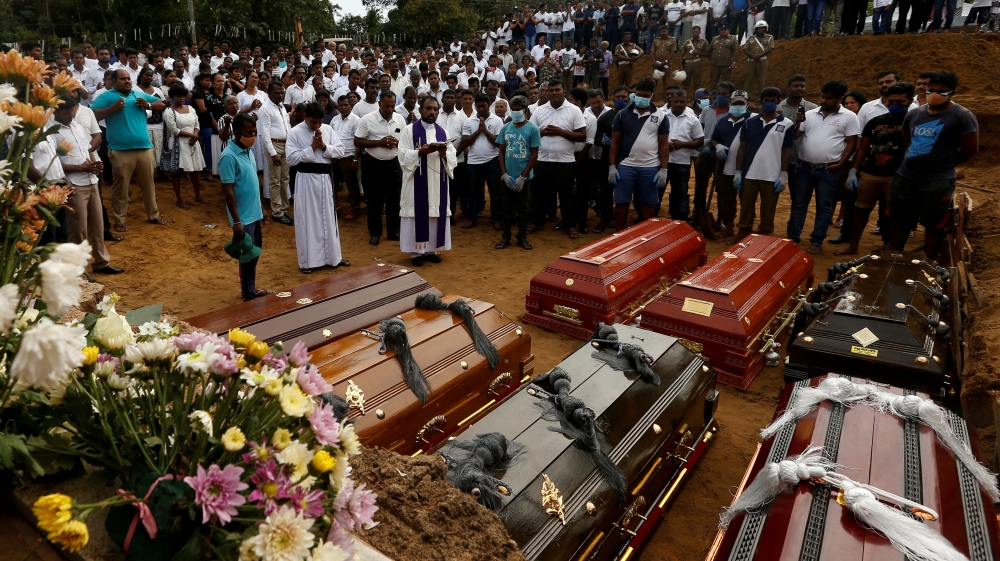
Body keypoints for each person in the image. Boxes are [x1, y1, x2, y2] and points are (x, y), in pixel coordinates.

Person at [889, 72, 979, 260]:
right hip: (906, 176)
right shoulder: (915, 114)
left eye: (942, 91)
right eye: (931, 89)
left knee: (934, 223)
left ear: (953, 92)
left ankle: (928, 264)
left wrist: (944, 162)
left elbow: (971, 148)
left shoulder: (962, 116)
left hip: (937, 181)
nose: (934, 93)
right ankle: (893, 258)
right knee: (899, 221)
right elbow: (907, 139)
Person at [834, 83, 914, 256]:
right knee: (861, 209)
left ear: (910, 101)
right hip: (871, 173)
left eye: (900, 101)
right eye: (891, 101)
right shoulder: (876, 121)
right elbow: (863, 148)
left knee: (895, 214)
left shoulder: (914, 122)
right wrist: (854, 171)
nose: (895, 105)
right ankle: (853, 245)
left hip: (898, 176)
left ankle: (891, 247)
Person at [50, 96, 123, 274]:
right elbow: (53, 163)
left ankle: (101, 262)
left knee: (97, 225)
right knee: (78, 229)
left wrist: (93, 164)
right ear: (55, 112)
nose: (71, 115)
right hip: (73, 184)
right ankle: (80, 270)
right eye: (66, 112)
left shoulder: (77, 126)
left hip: (91, 180)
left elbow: (86, 150)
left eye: (72, 110)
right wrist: (80, 167)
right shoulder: (51, 131)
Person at [91, 68, 168, 232]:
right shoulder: (106, 96)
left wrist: (147, 104)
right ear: (113, 81)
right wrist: (112, 109)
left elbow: (161, 104)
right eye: (123, 79)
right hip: (120, 150)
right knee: (121, 188)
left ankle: (153, 215)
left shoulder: (136, 95)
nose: (127, 81)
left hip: (144, 148)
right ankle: (119, 220)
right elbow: (93, 114)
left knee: (148, 185)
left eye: (128, 79)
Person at [788, 80, 860, 254]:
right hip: (804, 167)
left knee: (824, 206)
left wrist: (841, 164)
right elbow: (796, 136)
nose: (824, 100)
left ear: (839, 99)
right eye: (822, 97)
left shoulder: (849, 117)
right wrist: (797, 123)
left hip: (828, 169)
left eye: (828, 98)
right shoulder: (810, 114)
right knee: (799, 204)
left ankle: (817, 241)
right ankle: (792, 237)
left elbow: (852, 142)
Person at [286, 102, 348, 274]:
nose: (317, 125)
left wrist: (324, 147)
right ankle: (308, 262)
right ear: (305, 116)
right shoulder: (295, 132)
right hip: (306, 179)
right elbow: (291, 159)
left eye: (319, 122)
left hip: (325, 179)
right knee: (308, 220)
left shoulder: (328, 130)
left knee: (328, 217)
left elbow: (341, 151)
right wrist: (312, 148)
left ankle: (333, 258)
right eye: (313, 122)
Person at [397, 96, 459, 266]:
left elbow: (453, 155)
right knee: (418, 212)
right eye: (429, 108)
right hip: (417, 180)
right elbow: (401, 154)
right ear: (421, 110)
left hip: (438, 180)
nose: (432, 112)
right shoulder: (409, 130)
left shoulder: (443, 132)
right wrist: (419, 153)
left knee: (435, 213)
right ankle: (416, 252)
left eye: (435, 109)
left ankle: (431, 249)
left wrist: (445, 153)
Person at [219, 114, 272, 301]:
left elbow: (251, 183)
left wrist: (262, 209)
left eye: (254, 132)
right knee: (247, 257)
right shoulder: (228, 156)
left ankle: (251, 288)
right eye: (248, 132)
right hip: (243, 218)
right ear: (237, 132)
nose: (253, 136)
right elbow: (228, 191)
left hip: (255, 214)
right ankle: (248, 294)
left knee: (255, 253)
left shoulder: (248, 151)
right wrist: (237, 221)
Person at [527, 79, 587, 237]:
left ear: (564, 90)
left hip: (564, 161)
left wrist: (562, 132)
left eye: (557, 90)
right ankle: (536, 221)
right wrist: (542, 132)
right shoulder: (539, 111)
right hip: (542, 160)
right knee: (538, 194)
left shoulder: (574, 110)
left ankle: (570, 225)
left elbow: (582, 136)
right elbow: (530, 134)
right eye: (550, 90)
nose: (553, 93)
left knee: (566, 195)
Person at [608, 78, 670, 230]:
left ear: (652, 96)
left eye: (645, 95)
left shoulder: (661, 116)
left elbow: (663, 145)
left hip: (650, 166)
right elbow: (614, 142)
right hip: (626, 165)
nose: (640, 98)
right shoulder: (622, 115)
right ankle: (620, 232)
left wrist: (663, 169)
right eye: (638, 94)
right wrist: (612, 166)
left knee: (648, 202)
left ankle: (645, 234)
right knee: (622, 201)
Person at [733, 87, 793, 243]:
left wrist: (783, 174)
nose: (769, 103)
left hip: (772, 174)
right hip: (749, 172)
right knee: (746, 206)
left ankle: (765, 235)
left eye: (773, 101)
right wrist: (738, 171)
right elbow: (742, 147)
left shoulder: (787, 124)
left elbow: (787, 150)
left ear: (778, 102)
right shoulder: (749, 123)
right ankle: (743, 231)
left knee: (768, 208)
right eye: (766, 101)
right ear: (760, 102)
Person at [355, 91, 408, 246]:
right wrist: (379, 143)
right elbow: (357, 141)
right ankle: (375, 233)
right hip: (373, 164)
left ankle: (393, 231)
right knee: (374, 201)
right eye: (387, 106)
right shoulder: (367, 119)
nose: (390, 109)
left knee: (394, 200)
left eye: (392, 106)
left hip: (394, 164)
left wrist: (396, 143)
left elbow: (405, 141)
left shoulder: (400, 119)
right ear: (379, 104)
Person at [709, 89, 751, 239]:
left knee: (746, 200)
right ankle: (729, 226)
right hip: (725, 166)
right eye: (735, 103)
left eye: (742, 103)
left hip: (746, 169)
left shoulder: (753, 120)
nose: (738, 106)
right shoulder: (722, 121)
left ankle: (745, 228)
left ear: (747, 104)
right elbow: (714, 138)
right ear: (730, 103)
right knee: (726, 199)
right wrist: (717, 146)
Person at [459, 93, 505, 229]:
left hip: (492, 161)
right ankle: (472, 218)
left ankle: (496, 218)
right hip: (473, 162)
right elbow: (465, 141)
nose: (481, 109)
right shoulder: (469, 121)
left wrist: (485, 130)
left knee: (495, 192)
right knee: (472, 193)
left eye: (483, 106)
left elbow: (499, 143)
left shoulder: (497, 121)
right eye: (478, 106)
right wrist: (478, 131)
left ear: (489, 105)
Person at [161, 83, 207, 209]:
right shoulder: (168, 111)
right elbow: (174, 130)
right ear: (172, 97)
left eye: (183, 96)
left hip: (193, 142)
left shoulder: (191, 108)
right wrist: (192, 136)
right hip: (178, 143)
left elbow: (197, 123)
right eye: (178, 96)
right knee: (177, 172)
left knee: (195, 170)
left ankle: (198, 195)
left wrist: (195, 135)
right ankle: (179, 199)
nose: (181, 98)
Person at [664, 89, 704, 220]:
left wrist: (683, 144)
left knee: (680, 192)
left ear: (687, 102)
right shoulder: (661, 116)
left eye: (682, 101)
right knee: (657, 191)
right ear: (671, 101)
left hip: (682, 162)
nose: (679, 104)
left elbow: (700, 140)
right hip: (662, 161)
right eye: (676, 101)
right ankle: (651, 218)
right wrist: (664, 145)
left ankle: (680, 219)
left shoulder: (693, 120)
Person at [258, 81, 294, 225]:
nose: (280, 95)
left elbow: (287, 126)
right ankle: (277, 212)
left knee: (285, 178)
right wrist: (273, 153)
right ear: (268, 92)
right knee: (275, 180)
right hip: (274, 145)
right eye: (277, 93)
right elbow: (265, 133)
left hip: (286, 146)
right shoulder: (265, 108)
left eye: (282, 92)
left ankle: (284, 209)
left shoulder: (281, 108)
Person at [331, 95, 362, 220]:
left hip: (348, 156)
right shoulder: (334, 120)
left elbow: (359, 141)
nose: (343, 107)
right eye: (341, 105)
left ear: (351, 105)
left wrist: (355, 159)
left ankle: (355, 210)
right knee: (332, 183)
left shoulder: (356, 120)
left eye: (346, 105)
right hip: (334, 155)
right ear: (337, 106)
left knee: (351, 185)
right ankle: (333, 207)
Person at [742, 21, 772, 96]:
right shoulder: (751, 38)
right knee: (748, 79)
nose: (760, 30)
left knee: (761, 80)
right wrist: (753, 56)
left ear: (765, 29)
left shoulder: (769, 37)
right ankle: (746, 96)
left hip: (762, 60)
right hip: (751, 60)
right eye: (758, 28)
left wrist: (759, 55)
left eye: (762, 28)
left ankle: (760, 97)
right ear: (756, 29)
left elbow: (770, 48)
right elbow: (745, 49)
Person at [707, 23, 737, 92]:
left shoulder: (732, 38)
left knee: (727, 83)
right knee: (713, 82)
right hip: (715, 64)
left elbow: (736, 50)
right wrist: (710, 60)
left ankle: (727, 96)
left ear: (728, 30)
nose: (723, 31)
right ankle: (711, 97)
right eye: (721, 30)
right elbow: (709, 50)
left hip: (726, 64)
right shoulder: (715, 39)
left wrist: (734, 62)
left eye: (725, 29)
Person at [680, 27, 710, 94]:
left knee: (697, 83)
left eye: (696, 32)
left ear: (699, 32)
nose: (694, 33)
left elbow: (708, 53)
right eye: (693, 32)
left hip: (697, 62)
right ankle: (685, 98)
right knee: (686, 83)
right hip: (687, 63)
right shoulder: (687, 42)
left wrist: (699, 53)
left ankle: (696, 99)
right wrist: (681, 65)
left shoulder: (704, 42)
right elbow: (681, 54)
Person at [651, 26, 677, 101]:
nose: (663, 33)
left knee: (666, 83)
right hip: (656, 65)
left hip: (666, 65)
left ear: (667, 31)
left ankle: (666, 100)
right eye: (662, 31)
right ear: (660, 32)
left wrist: (666, 61)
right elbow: (652, 52)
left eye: (665, 31)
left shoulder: (672, 40)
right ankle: (652, 98)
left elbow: (673, 52)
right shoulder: (656, 40)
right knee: (653, 82)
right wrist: (654, 62)